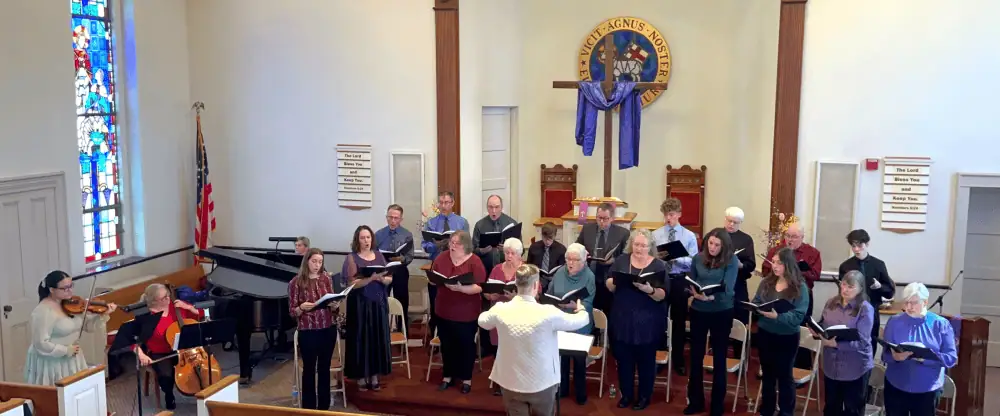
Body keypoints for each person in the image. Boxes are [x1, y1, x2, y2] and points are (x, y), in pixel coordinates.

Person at [479, 264, 590, 416]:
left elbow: (482, 321)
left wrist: (497, 307)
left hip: (511, 381)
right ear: (536, 285)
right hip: (541, 382)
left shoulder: (501, 309)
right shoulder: (548, 313)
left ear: (516, 284)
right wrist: (581, 308)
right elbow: (581, 320)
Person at [606, 229, 668, 410]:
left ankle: (643, 396)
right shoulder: (621, 260)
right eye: (636, 244)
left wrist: (649, 290)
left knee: (646, 362)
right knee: (624, 361)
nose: (639, 248)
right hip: (622, 319)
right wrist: (614, 281)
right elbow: (609, 283)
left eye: (643, 245)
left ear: (650, 247)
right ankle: (626, 395)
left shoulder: (658, 266)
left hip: (647, 322)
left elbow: (662, 295)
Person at [26, 271, 117, 386]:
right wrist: (66, 351)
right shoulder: (43, 311)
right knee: (57, 396)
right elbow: (40, 343)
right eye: (65, 288)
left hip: (73, 355)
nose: (70, 290)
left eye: (71, 286)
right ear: (52, 290)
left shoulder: (72, 304)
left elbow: (87, 326)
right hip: (52, 361)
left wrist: (103, 314)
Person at [684, 228, 739, 416]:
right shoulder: (697, 258)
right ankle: (695, 401)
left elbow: (729, 289)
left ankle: (717, 404)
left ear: (723, 246)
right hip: (699, 310)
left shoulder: (731, 260)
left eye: (717, 245)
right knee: (696, 356)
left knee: (719, 357)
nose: (713, 247)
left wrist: (711, 298)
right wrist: (694, 293)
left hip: (721, 311)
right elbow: (691, 280)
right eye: (710, 243)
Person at [881, 283, 957, 416]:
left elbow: (951, 358)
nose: (909, 307)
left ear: (925, 302)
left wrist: (925, 358)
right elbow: (885, 356)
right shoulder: (894, 322)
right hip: (896, 386)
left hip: (927, 389)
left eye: (914, 303)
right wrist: (895, 357)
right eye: (906, 302)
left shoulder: (940, 324)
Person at [751, 248, 810, 416]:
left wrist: (778, 316)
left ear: (788, 265)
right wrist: (755, 308)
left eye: (779, 263)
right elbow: (756, 301)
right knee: (768, 375)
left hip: (787, 337)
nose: (774, 266)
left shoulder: (800, 287)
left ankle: (786, 412)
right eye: (773, 262)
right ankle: (767, 409)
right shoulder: (767, 282)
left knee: (784, 376)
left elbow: (798, 316)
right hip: (765, 333)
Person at [809, 270, 874, 416]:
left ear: (860, 289)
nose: (844, 289)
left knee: (853, 410)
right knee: (831, 407)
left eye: (850, 287)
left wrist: (837, 345)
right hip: (831, 365)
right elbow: (823, 325)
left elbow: (863, 342)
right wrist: (817, 331)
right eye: (843, 285)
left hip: (855, 367)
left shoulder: (865, 309)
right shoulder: (831, 302)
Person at [431, 230, 487, 394]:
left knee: (465, 346)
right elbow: (433, 276)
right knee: (447, 345)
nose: (452, 246)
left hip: (466, 313)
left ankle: (466, 379)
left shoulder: (475, 262)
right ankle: (447, 376)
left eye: (457, 243)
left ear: (466, 245)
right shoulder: (442, 258)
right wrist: (435, 280)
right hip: (444, 310)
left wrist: (461, 288)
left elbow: (479, 286)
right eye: (451, 242)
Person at [133, 283, 204, 410]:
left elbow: (199, 315)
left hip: (184, 348)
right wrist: (141, 354)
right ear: (154, 301)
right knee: (166, 376)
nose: (168, 299)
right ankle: (169, 394)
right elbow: (132, 340)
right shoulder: (145, 318)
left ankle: (204, 391)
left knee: (201, 366)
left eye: (168, 295)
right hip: (161, 352)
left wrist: (189, 307)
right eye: (163, 298)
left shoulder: (176, 305)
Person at [288, 248, 341, 410]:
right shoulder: (296, 282)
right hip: (308, 331)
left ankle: (324, 408)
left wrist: (335, 305)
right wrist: (301, 308)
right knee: (309, 369)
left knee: (324, 368)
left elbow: (332, 303)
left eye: (320, 262)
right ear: (307, 261)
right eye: (314, 261)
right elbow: (292, 311)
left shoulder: (326, 279)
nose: (317, 265)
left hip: (327, 328)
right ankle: (309, 408)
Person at [651, 197, 699, 376]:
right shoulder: (656, 234)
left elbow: (694, 262)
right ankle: (660, 355)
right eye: (666, 215)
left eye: (671, 215)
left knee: (678, 321)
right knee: (660, 317)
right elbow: (652, 257)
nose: (668, 218)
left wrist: (676, 257)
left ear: (679, 214)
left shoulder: (688, 236)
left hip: (679, 279)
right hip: (662, 278)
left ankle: (678, 358)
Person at [342, 225, 393, 390]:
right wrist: (370, 279)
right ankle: (361, 377)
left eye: (368, 237)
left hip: (378, 302)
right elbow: (351, 283)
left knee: (376, 339)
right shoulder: (352, 258)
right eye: (363, 238)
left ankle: (374, 375)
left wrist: (381, 278)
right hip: (360, 304)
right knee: (361, 339)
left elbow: (388, 278)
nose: (366, 241)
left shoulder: (379, 256)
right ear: (357, 240)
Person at [545, 242, 596, 405]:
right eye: (568, 259)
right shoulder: (560, 273)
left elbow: (589, 302)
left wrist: (576, 306)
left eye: (575, 260)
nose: (571, 263)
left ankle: (581, 393)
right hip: (561, 320)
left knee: (579, 360)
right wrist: (554, 302)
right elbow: (550, 294)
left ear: (583, 261)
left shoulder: (589, 276)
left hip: (579, 323)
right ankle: (563, 389)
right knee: (561, 359)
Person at [483, 237, 537, 389]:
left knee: (517, 352)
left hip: (520, 317)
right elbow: (487, 291)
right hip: (501, 316)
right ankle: (500, 383)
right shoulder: (496, 269)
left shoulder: (528, 270)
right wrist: (489, 296)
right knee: (499, 351)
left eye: (512, 253)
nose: (509, 256)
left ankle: (516, 383)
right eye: (506, 252)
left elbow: (536, 294)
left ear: (520, 254)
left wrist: (517, 297)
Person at [837, 229, 895, 357]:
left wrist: (880, 287)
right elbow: (841, 293)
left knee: (869, 344)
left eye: (860, 245)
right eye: (853, 246)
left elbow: (889, 292)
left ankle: (867, 373)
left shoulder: (878, 265)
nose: (857, 249)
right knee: (849, 343)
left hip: (872, 311)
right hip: (851, 312)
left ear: (867, 244)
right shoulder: (845, 266)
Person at [422, 191, 470, 338]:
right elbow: (425, 245)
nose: (443, 206)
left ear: (453, 203)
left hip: (457, 266)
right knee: (436, 301)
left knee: (455, 302)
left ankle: (455, 334)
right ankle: (436, 336)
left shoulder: (461, 222)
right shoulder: (431, 223)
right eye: (441, 202)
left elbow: (468, 245)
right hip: (437, 265)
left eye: (447, 202)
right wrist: (436, 245)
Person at [575, 202, 629, 315]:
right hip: (590, 275)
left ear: (612, 218)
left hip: (610, 276)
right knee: (590, 310)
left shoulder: (622, 233)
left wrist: (614, 260)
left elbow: (626, 257)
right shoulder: (587, 229)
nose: (602, 222)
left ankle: (607, 331)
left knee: (610, 311)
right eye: (599, 218)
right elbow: (577, 247)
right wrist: (583, 255)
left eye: (605, 218)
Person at [375, 204, 415, 330]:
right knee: (381, 301)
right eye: (390, 217)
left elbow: (409, 256)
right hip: (383, 271)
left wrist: (401, 259)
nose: (393, 221)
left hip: (400, 270)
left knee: (402, 301)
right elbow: (373, 254)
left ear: (401, 219)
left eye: (396, 218)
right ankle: (382, 331)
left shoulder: (407, 234)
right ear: (386, 217)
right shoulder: (379, 234)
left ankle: (402, 332)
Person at [472, 194, 518, 272]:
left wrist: (507, 249)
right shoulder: (479, 225)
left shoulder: (512, 223)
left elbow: (521, 250)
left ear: (501, 207)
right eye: (490, 207)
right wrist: (482, 251)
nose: (494, 211)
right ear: (487, 208)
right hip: (485, 269)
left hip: (508, 268)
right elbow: (472, 250)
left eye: (497, 207)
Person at [526, 222, 567, 291]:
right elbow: (529, 266)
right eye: (545, 238)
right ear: (541, 235)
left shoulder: (561, 250)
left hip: (554, 280)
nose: (547, 242)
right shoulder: (534, 247)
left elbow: (563, 270)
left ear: (555, 236)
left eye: (550, 238)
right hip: (537, 279)